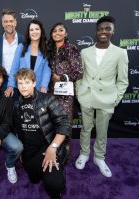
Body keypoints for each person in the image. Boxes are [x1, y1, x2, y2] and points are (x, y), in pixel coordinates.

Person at [75, 16, 129, 177]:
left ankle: (99, 157)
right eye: (100, 29)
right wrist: (79, 92)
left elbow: (123, 80)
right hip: (86, 97)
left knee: (102, 130)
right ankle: (84, 154)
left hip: (107, 98)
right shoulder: (85, 52)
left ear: (113, 31)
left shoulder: (120, 53)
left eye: (107, 29)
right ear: (96, 31)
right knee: (85, 128)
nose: (103, 32)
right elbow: (79, 75)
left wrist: (115, 98)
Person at [12, 68, 70, 199]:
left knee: (55, 185)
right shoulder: (16, 105)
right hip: (28, 152)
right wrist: (21, 151)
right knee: (34, 179)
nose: (23, 86)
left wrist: (53, 147)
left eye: (27, 82)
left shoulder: (47, 99)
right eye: (20, 83)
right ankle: (35, 171)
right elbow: (17, 130)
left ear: (34, 83)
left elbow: (64, 124)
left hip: (47, 149)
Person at [47, 22, 83, 162]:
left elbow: (78, 70)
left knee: (65, 124)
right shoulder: (49, 49)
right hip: (50, 93)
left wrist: (61, 78)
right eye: (54, 30)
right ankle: (52, 152)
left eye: (60, 30)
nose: (57, 33)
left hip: (65, 94)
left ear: (66, 34)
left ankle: (64, 157)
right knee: (51, 123)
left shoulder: (71, 48)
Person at [5, 19, 51, 98]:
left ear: (41, 31)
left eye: (37, 29)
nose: (34, 32)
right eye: (31, 30)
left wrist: (44, 86)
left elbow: (46, 70)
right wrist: (10, 85)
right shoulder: (21, 47)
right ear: (29, 33)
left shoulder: (46, 49)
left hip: (39, 89)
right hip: (22, 89)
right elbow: (14, 68)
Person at [0, 9, 24, 92]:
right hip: (2, 81)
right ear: (2, 24)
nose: (9, 24)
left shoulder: (23, 40)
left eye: (11, 21)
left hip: (20, 80)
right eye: (6, 21)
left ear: (15, 22)